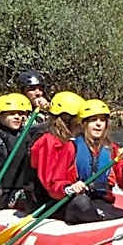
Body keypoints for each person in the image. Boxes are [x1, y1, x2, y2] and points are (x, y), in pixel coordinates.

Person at [70, 98, 123, 220]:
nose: (98, 124)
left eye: (102, 120)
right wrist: (71, 185)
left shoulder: (112, 150)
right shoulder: (71, 148)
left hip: (101, 202)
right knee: (83, 203)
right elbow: (59, 179)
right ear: (84, 124)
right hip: (76, 202)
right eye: (93, 120)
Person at [28, 90, 91, 222]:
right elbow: (50, 183)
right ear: (69, 119)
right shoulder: (47, 141)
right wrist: (68, 188)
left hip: (63, 197)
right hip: (47, 202)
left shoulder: (69, 141)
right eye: (80, 120)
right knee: (82, 203)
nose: (82, 124)